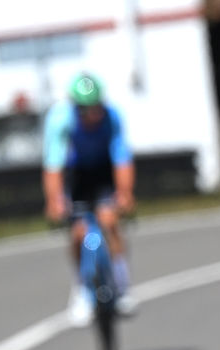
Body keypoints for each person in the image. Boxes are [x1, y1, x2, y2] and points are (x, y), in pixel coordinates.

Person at [42, 72, 137, 326]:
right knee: (78, 233)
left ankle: (122, 285)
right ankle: (82, 290)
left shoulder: (112, 117)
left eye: (96, 107)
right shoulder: (61, 119)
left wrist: (125, 194)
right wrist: (54, 201)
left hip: (103, 171)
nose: (92, 115)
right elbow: (53, 166)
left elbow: (121, 159)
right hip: (77, 175)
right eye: (85, 110)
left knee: (110, 219)